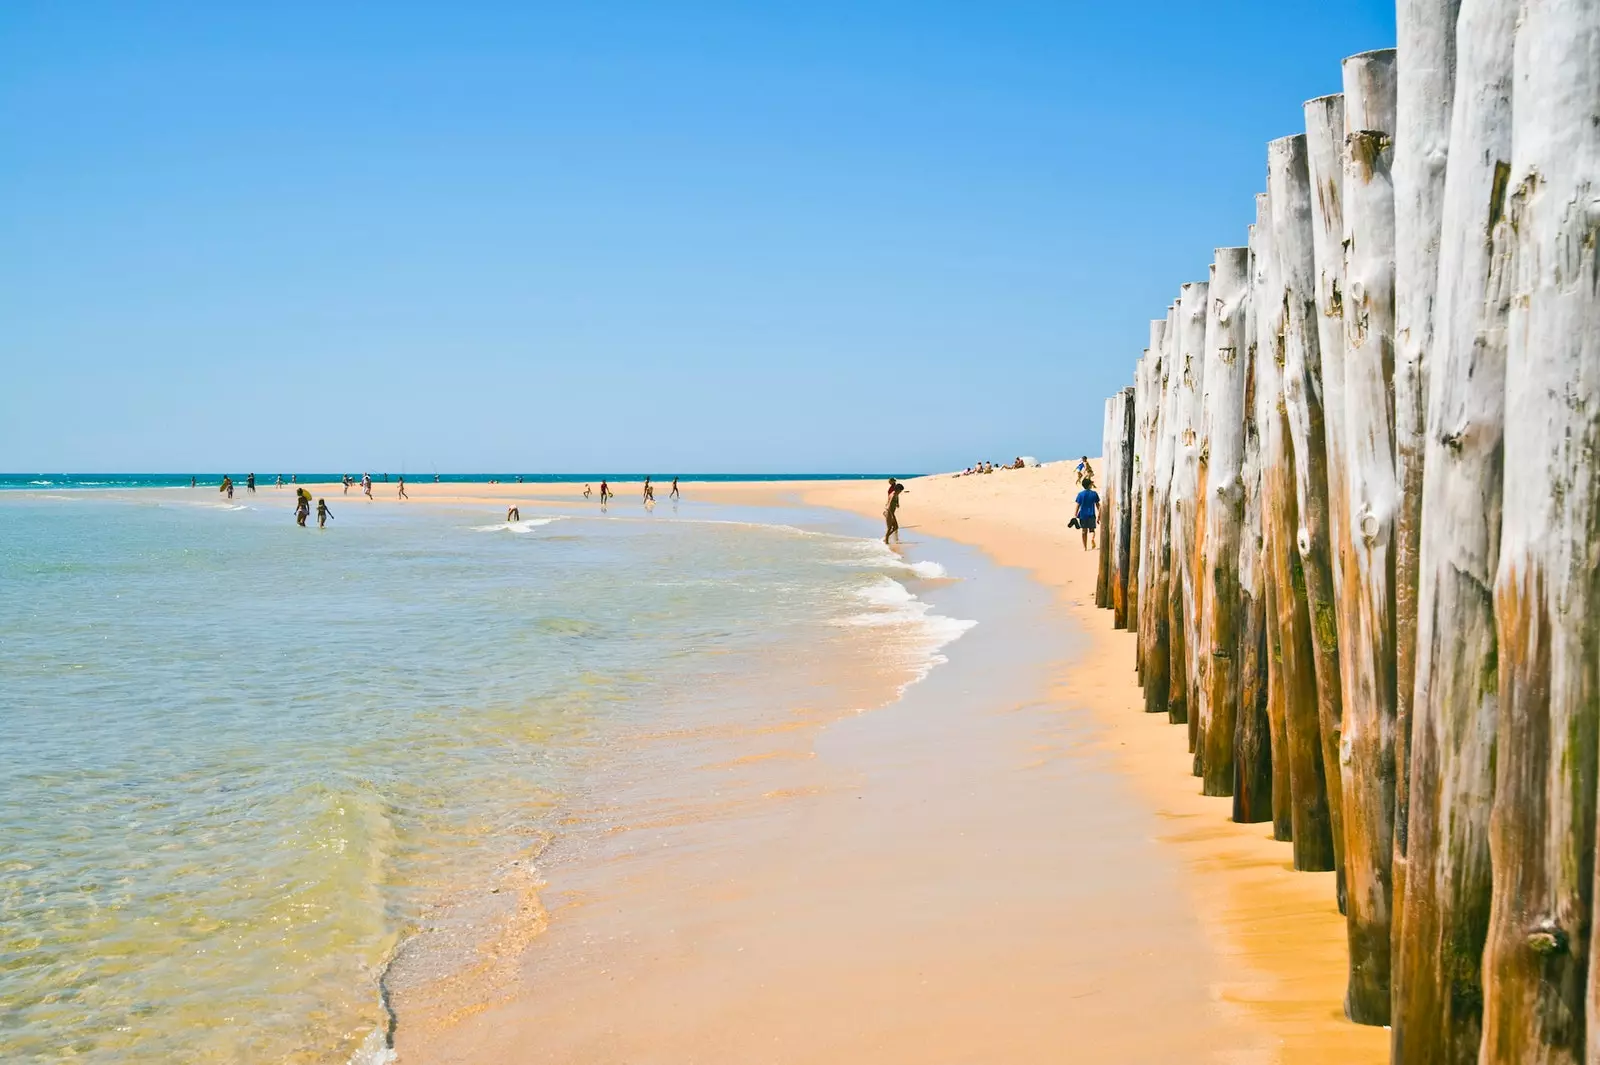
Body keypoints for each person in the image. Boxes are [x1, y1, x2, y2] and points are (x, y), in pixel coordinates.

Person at [1074, 477, 1101, 551]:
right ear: (1089, 485)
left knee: (1084, 531)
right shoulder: (1094, 494)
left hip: (1083, 515)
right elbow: (1098, 505)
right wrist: (1099, 514)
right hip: (1091, 514)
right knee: (1092, 530)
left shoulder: (1080, 494)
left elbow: (1078, 505)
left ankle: (1085, 547)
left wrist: (1075, 515)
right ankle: (1092, 539)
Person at [884, 478, 907, 544]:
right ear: (897, 489)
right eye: (900, 491)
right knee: (890, 528)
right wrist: (891, 516)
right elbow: (888, 506)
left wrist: (897, 503)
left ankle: (886, 538)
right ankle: (886, 541)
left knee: (895, 527)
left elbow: (896, 498)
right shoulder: (893, 495)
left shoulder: (896, 494)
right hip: (889, 512)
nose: (900, 492)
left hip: (891, 513)